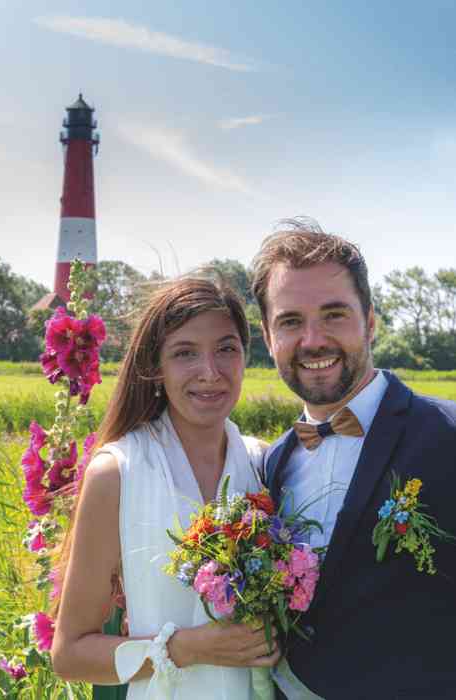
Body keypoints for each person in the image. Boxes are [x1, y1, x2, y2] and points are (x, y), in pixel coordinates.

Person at [252, 218, 456, 699]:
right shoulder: (271, 465)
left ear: (370, 321)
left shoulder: (446, 435)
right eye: (290, 321)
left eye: (334, 314)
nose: (313, 340)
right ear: (267, 336)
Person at [51, 276, 280, 699]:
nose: (210, 373)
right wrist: (184, 649)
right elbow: (69, 655)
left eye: (226, 349)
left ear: (247, 356)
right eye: (185, 353)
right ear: (156, 367)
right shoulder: (118, 472)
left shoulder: (264, 464)